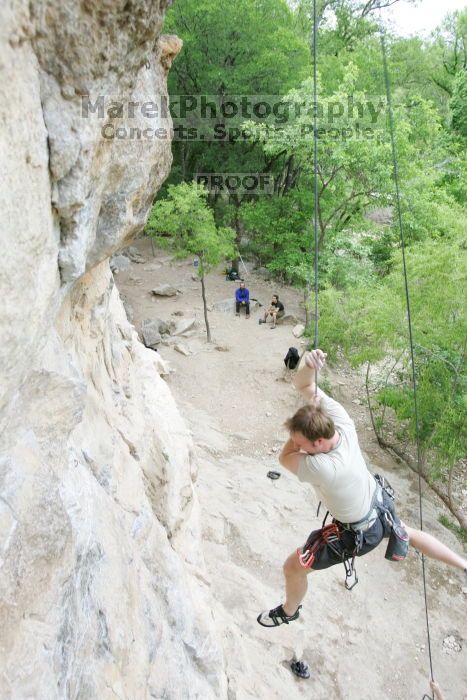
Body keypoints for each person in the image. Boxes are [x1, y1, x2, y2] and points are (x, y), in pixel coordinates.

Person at [257, 349, 467, 628]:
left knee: (293, 568)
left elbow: (284, 458)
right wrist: (308, 364)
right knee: (410, 533)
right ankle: (464, 564)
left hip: (356, 533)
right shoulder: (339, 420)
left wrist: (292, 443)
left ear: (318, 444)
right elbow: (304, 385)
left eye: (301, 443)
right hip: (379, 505)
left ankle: (289, 610)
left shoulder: (327, 468)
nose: (297, 446)